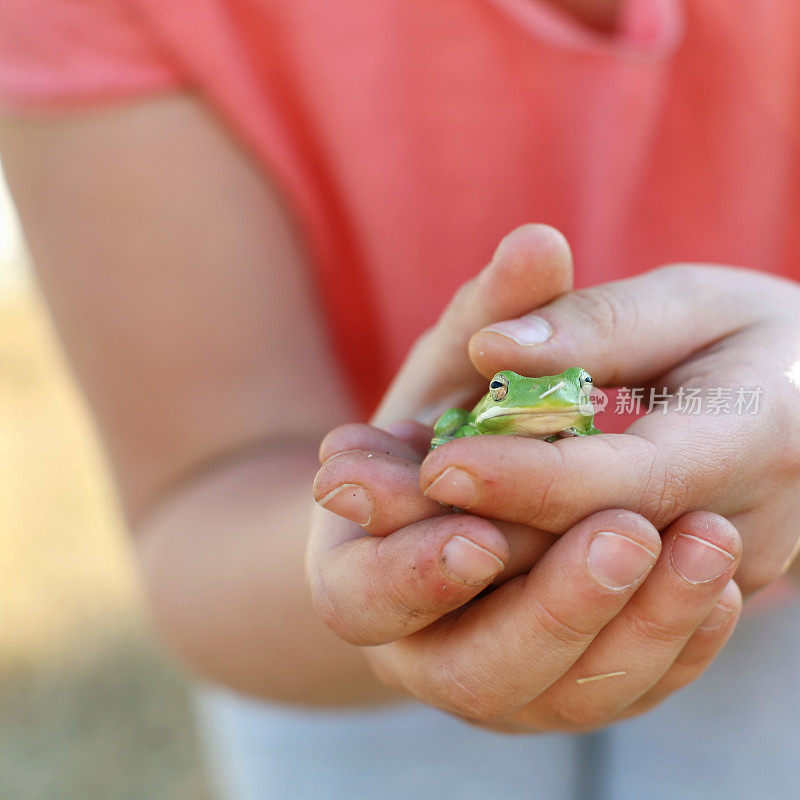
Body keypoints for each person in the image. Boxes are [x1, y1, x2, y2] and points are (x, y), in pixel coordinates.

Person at [1, 1, 799, 798]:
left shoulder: (574, 416)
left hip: (753, 583)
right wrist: (398, 524)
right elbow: (204, 500)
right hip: (314, 608)